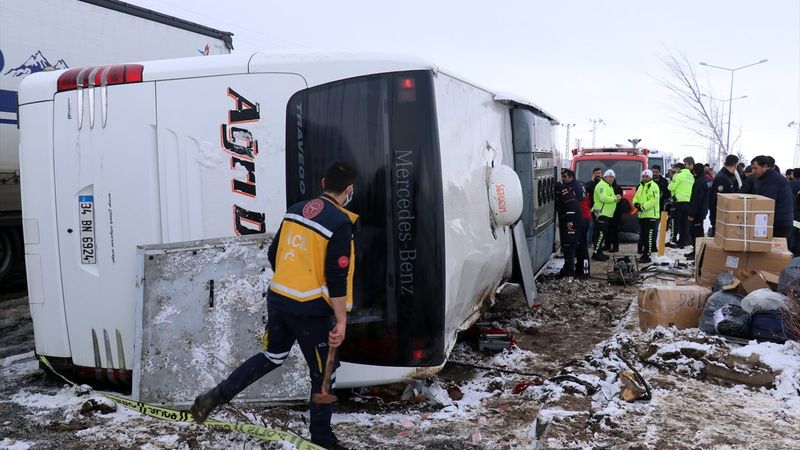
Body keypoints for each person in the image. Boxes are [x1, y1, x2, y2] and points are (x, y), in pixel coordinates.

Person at [189, 160, 359, 450]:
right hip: (311, 311)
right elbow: (336, 276)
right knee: (324, 374)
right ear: (349, 190)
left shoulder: (295, 211)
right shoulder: (340, 223)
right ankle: (322, 441)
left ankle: (215, 396)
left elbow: (273, 253)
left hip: (279, 299)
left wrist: (293, 279)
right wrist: (341, 320)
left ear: (322, 183)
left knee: (272, 356)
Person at [751, 155, 794, 241]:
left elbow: (765, 204)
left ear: (765, 166)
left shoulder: (771, 181)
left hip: (778, 224)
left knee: (772, 249)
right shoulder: (774, 178)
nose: (753, 171)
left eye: (755, 168)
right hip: (783, 222)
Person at [556, 169, 588, 278]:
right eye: (562, 177)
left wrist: (569, 220)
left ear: (571, 176)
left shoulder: (571, 188)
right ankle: (579, 271)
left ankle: (581, 272)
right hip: (581, 218)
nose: (563, 179)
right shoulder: (575, 185)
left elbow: (571, 204)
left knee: (577, 247)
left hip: (579, 219)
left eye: (565, 176)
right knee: (577, 247)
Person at [591, 169, 620, 261]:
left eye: (613, 177)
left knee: (602, 234)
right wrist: (615, 198)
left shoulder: (608, 186)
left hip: (606, 214)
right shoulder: (602, 185)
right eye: (609, 177)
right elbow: (603, 198)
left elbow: (609, 198)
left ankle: (598, 251)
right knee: (600, 234)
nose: (611, 179)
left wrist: (616, 198)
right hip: (601, 213)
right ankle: (596, 253)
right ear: (604, 177)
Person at [708, 155, 740, 237]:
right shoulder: (722, 178)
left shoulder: (726, 176)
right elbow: (719, 198)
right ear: (735, 165)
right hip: (719, 215)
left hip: (721, 214)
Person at [632, 169, 660, 263]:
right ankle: (644, 254)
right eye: (643, 176)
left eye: (646, 176)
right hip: (642, 216)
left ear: (650, 177)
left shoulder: (654, 186)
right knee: (644, 236)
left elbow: (654, 200)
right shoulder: (641, 186)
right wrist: (636, 203)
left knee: (649, 237)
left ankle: (647, 256)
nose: (644, 178)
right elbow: (636, 197)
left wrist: (642, 207)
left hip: (651, 216)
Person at [667, 162, 693, 248]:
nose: (674, 170)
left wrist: (671, 181)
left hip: (678, 202)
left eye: (675, 168)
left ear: (678, 168)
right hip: (688, 202)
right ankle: (682, 242)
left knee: (674, 223)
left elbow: (670, 187)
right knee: (684, 223)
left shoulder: (678, 175)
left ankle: (672, 241)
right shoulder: (691, 176)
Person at [686, 163, 709, 260]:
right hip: (701, 210)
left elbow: (697, 199)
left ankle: (698, 252)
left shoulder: (699, 182)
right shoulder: (704, 180)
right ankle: (696, 250)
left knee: (696, 233)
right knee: (695, 231)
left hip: (698, 212)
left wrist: (692, 213)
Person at [584, 167, 603, 247]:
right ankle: (588, 242)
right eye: (596, 173)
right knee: (591, 225)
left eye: (599, 173)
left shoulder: (603, 183)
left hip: (602, 208)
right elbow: (585, 190)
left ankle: (598, 242)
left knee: (600, 226)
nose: (598, 175)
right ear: (593, 174)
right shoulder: (590, 183)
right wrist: (592, 181)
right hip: (592, 208)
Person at [605, 178, 625, 253]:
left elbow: (618, 199)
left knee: (613, 230)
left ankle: (615, 246)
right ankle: (607, 245)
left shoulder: (617, 188)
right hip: (608, 212)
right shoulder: (606, 187)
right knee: (607, 230)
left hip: (616, 213)